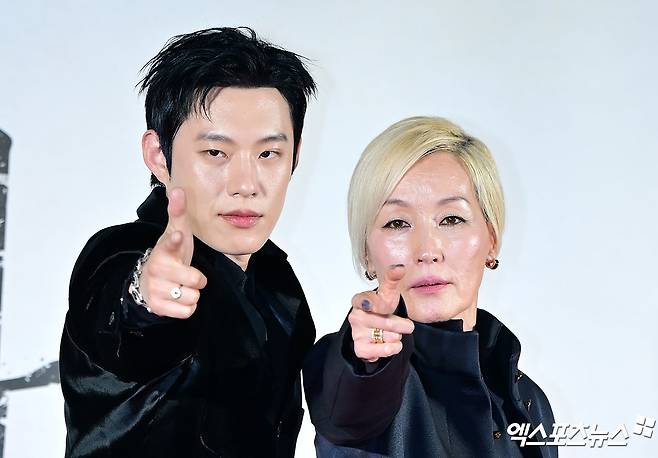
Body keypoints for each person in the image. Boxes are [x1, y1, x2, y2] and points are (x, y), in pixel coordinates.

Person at [60, 27, 316, 458]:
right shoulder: (119, 253)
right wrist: (144, 297)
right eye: (216, 153)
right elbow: (123, 320)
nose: (246, 184)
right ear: (159, 156)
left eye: (268, 154)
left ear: (295, 154)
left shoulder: (278, 282)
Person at [304, 116, 557, 457]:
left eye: (452, 219)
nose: (426, 250)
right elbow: (347, 404)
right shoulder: (367, 375)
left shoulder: (530, 402)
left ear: (491, 239)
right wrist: (363, 364)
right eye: (397, 223)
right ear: (366, 252)